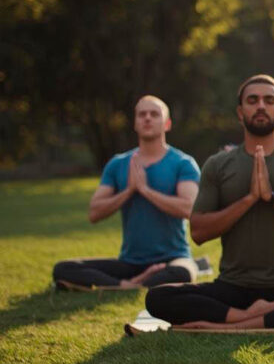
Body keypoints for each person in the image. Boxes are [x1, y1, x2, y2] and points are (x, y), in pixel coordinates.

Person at [145, 75, 274, 330]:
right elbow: (198, 231)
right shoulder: (218, 164)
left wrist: (272, 198)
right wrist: (250, 199)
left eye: (269, 100)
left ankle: (230, 323)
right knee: (158, 297)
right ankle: (251, 318)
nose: (261, 106)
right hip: (233, 286)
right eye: (253, 100)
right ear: (241, 112)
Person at [52, 96, 200, 290]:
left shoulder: (183, 163)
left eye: (154, 114)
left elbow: (190, 209)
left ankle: (119, 285)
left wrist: (146, 190)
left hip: (172, 259)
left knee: (184, 273)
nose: (147, 118)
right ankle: (129, 285)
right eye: (142, 114)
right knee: (63, 268)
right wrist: (129, 190)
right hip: (130, 263)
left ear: (167, 124)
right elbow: (94, 213)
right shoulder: (118, 164)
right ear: (135, 123)